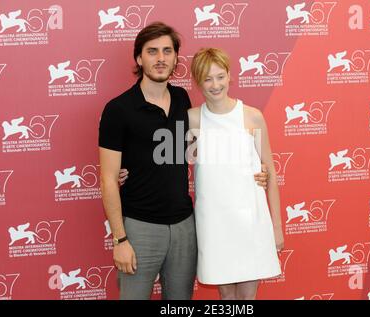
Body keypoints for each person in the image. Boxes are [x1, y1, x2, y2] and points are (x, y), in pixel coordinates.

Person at [99, 22, 268, 300]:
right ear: (139, 58)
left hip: (184, 227)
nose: (161, 58)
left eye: (167, 51)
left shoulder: (181, 99)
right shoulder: (118, 109)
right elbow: (107, 178)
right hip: (141, 228)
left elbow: (204, 149)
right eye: (152, 51)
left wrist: (254, 166)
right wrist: (120, 239)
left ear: (176, 58)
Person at [188, 48, 284, 300]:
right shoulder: (192, 119)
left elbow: (270, 172)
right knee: (226, 297)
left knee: (247, 298)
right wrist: (126, 169)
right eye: (207, 79)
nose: (215, 84)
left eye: (220, 76)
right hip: (214, 222)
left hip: (250, 219)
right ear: (198, 82)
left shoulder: (252, 116)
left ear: (230, 75)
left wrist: (277, 228)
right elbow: (162, 160)